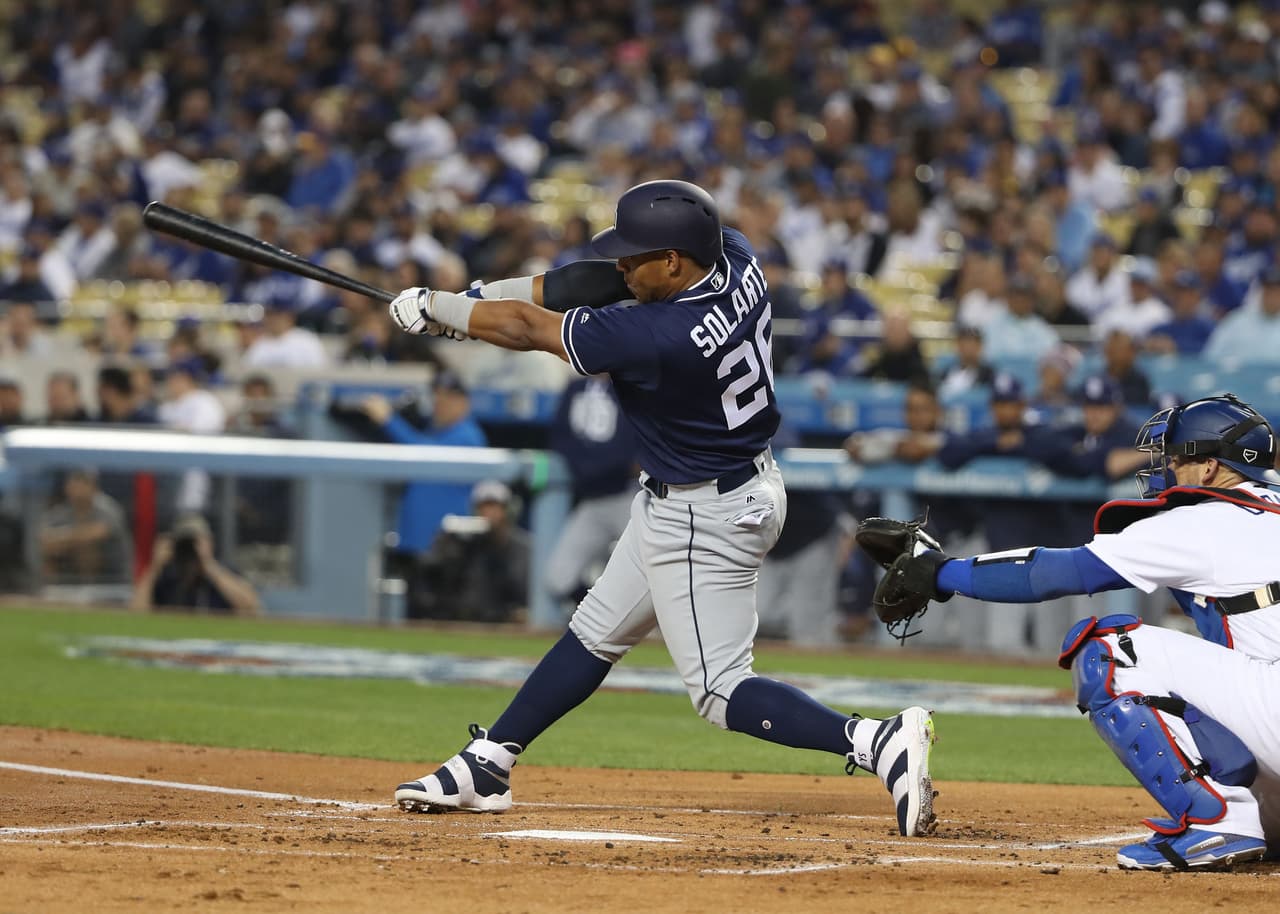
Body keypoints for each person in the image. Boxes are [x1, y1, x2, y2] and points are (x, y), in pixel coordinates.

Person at [386, 179, 936, 836]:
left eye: (636, 255)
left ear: (674, 260)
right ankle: (489, 763)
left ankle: (876, 742)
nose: (623, 265)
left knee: (720, 689)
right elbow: (587, 284)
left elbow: (532, 328)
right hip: (715, 488)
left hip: (709, 515)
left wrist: (441, 310)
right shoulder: (734, 256)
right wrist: (480, 298)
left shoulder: (659, 333)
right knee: (595, 632)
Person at [873, 394, 1280, 870]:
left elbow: (1054, 573)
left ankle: (1218, 821)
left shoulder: (1203, 520)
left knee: (1110, 649)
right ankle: (1248, 818)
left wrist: (940, 572)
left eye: (1176, 458)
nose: (1168, 468)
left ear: (1209, 467)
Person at [360, 370, 487, 556]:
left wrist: (388, 420)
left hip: (447, 549)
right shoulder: (433, 431)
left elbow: (423, 452)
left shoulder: (468, 436)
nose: (439, 404)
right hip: (416, 545)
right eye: (437, 397)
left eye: (448, 398)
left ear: (464, 403)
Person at [544, 375, 637, 612]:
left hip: (629, 497)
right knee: (558, 577)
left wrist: (597, 468)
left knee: (653, 574)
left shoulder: (632, 385)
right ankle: (603, 618)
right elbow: (560, 437)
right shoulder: (575, 387)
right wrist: (589, 468)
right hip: (591, 500)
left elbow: (631, 447)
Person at [417, 480, 531, 623]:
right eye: (483, 507)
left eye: (495, 506)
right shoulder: (459, 540)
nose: (489, 513)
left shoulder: (521, 547)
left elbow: (522, 592)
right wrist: (451, 546)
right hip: (459, 623)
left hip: (505, 624)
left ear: (507, 510)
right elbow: (433, 579)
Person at [132, 513, 261, 615]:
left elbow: (251, 608)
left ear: (210, 542)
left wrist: (208, 564)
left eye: (195, 542)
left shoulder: (224, 574)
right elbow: (136, 613)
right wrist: (154, 566)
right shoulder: (168, 576)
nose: (190, 548)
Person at [39, 468, 132, 585]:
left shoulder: (108, 509)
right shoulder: (60, 513)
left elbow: (98, 533)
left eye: (84, 483)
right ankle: (50, 587)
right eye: (74, 483)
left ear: (94, 487)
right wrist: (76, 537)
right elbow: (45, 543)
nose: (77, 489)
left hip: (112, 580)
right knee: (51, 555)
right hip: (69, 580)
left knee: (88, 547)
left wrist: (62, 539)